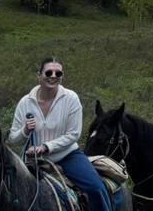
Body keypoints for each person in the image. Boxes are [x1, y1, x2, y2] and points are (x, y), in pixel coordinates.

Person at [9, 58, 112, 211]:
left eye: (58, 73)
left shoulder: (71, 99)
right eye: (48, 72)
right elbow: (12, 138)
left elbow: (73, 134)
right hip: (33, 161)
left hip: (67, 157)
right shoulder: (25, 102)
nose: (53, 76)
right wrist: (25, 130)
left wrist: (45, 147)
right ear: (39, 75)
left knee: (96, 188)